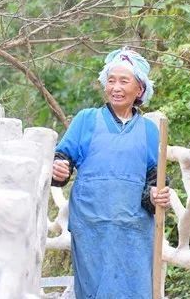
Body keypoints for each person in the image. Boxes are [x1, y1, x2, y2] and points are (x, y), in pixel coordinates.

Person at [52, 47, 171, 299]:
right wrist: (58, 168)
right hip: (92, 227)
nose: (116, 87)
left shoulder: (150, 131)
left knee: (135, 290)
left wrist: (156, 195)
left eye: (123, 81)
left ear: (139, 90)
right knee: (95, 291)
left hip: (134, 230)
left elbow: (154, 181)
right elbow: (61, 162)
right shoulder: (86, 120)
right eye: (111, 80)